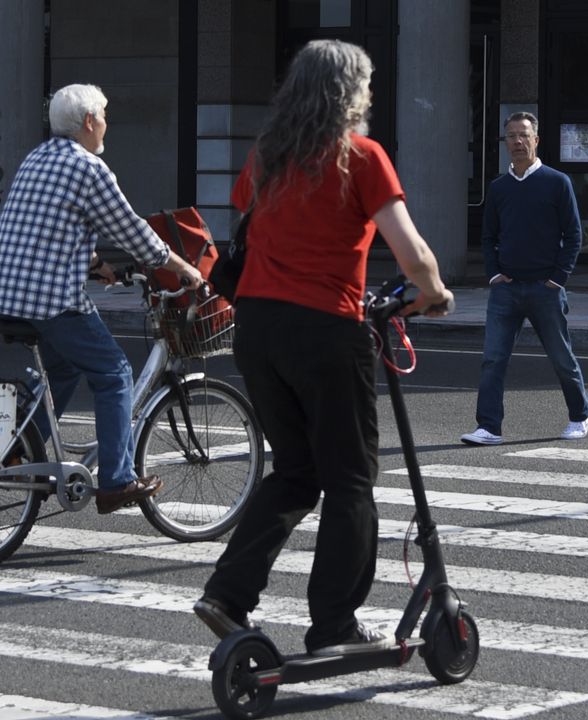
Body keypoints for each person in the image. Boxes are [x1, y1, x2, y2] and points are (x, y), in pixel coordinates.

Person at [192, 39, 453, 656]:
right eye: (364, 85)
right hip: (324, 331)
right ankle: (334, 623)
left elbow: (250, 239)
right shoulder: (362, 156)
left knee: (297, 470)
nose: (369, 95)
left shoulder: (266, 158)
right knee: (351, 480)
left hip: (257, 330)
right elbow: (413, 252)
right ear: (348, 93)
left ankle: (227, 592)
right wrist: (434, 292)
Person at [0, 83, 204, 514]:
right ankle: (118, 479)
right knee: (115, 372)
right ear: (88, 122)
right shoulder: (89, 169)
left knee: (62, 370)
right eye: (103, 116)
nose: (106, 124)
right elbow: (135, 232)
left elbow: (49, 228)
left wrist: (97, 265)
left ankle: (13, 449)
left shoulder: (37, 157)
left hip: (4, 296)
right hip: (49, 301)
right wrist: (183, 268)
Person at [460, 111, 588, 446]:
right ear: (505, 143)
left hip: (545, 289)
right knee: (493, 359)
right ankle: (488, 427)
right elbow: (488, 237)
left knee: (561, 358)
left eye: (524, 135)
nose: (517, 142)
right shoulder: (499, 187)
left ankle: (581, 414)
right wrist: (493, 273)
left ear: (536, 139)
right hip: (506, 289)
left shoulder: (556, 182)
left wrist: (558, 278)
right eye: (511, 136)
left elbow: (574, 235)